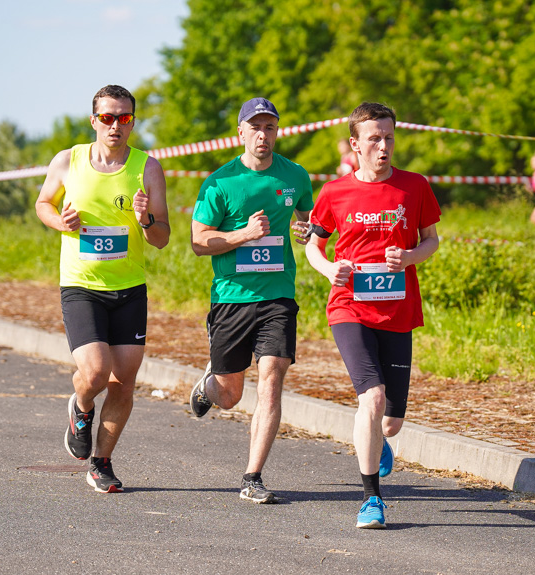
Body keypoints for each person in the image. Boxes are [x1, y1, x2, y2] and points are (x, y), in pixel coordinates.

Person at [302, 102, 441, 529]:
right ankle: (371, 500)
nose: (384, 147)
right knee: (372, 397)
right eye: (375, 139)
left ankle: (378, 440)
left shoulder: (415, 187)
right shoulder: (334, 192)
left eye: (389, 138)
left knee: (392, 422)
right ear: (355, 144)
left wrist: (410, 257)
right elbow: (313, 244)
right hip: (350, 308)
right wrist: (329, 269)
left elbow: (431, 241)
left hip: (398, 311)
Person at [35, 84, 170, 493]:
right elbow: (44, 203)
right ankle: (80, 406)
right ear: (94, 120)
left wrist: (146, 220)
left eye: (124, 118)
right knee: (94, 372)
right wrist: (62, 222)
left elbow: (162, 237)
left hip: (128, 288)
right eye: (108, 117)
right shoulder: (69, 160)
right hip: (82, 285)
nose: (115, 125)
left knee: (124, 382)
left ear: (132, 122)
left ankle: (102, 463)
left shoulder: (147, 168)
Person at [189, 97, 313, 505]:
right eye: (255, 128)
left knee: (273, 378)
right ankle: (210, 384)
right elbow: (198, 241)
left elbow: (306, 221)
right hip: (232, 298)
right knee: (230, 396)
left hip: (277, 295)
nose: (263, 135)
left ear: (277, 131)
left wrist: (306, 232)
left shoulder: (295, 176)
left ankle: (252, 476)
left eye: (270, 127)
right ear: (240, 132)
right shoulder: (220, 182)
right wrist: (244, 235)